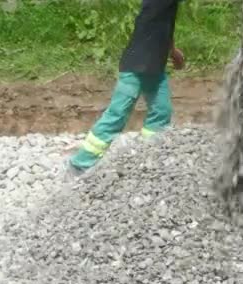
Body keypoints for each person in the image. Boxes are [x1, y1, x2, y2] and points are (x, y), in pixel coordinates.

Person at [67, 0, 185, 176]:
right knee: (117, 115)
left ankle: (150, 157)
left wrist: (173, 50)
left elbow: (165, 25)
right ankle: (80, 164)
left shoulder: (164, 7)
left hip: (155, 69)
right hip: (134, 68)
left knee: (162, 112)